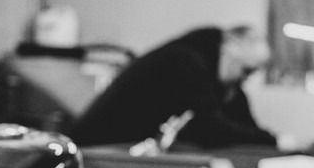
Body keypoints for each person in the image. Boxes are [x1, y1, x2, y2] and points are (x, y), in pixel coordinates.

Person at [67, 25, 277, 148]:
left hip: (121, 150)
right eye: (246, 70)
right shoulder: (185, 62)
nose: (245, 79)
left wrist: (271, 140)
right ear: (231, 45)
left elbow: (239, 118)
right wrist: (272, 140)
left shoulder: (223, 81)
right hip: (98, 149)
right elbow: (208, 127)